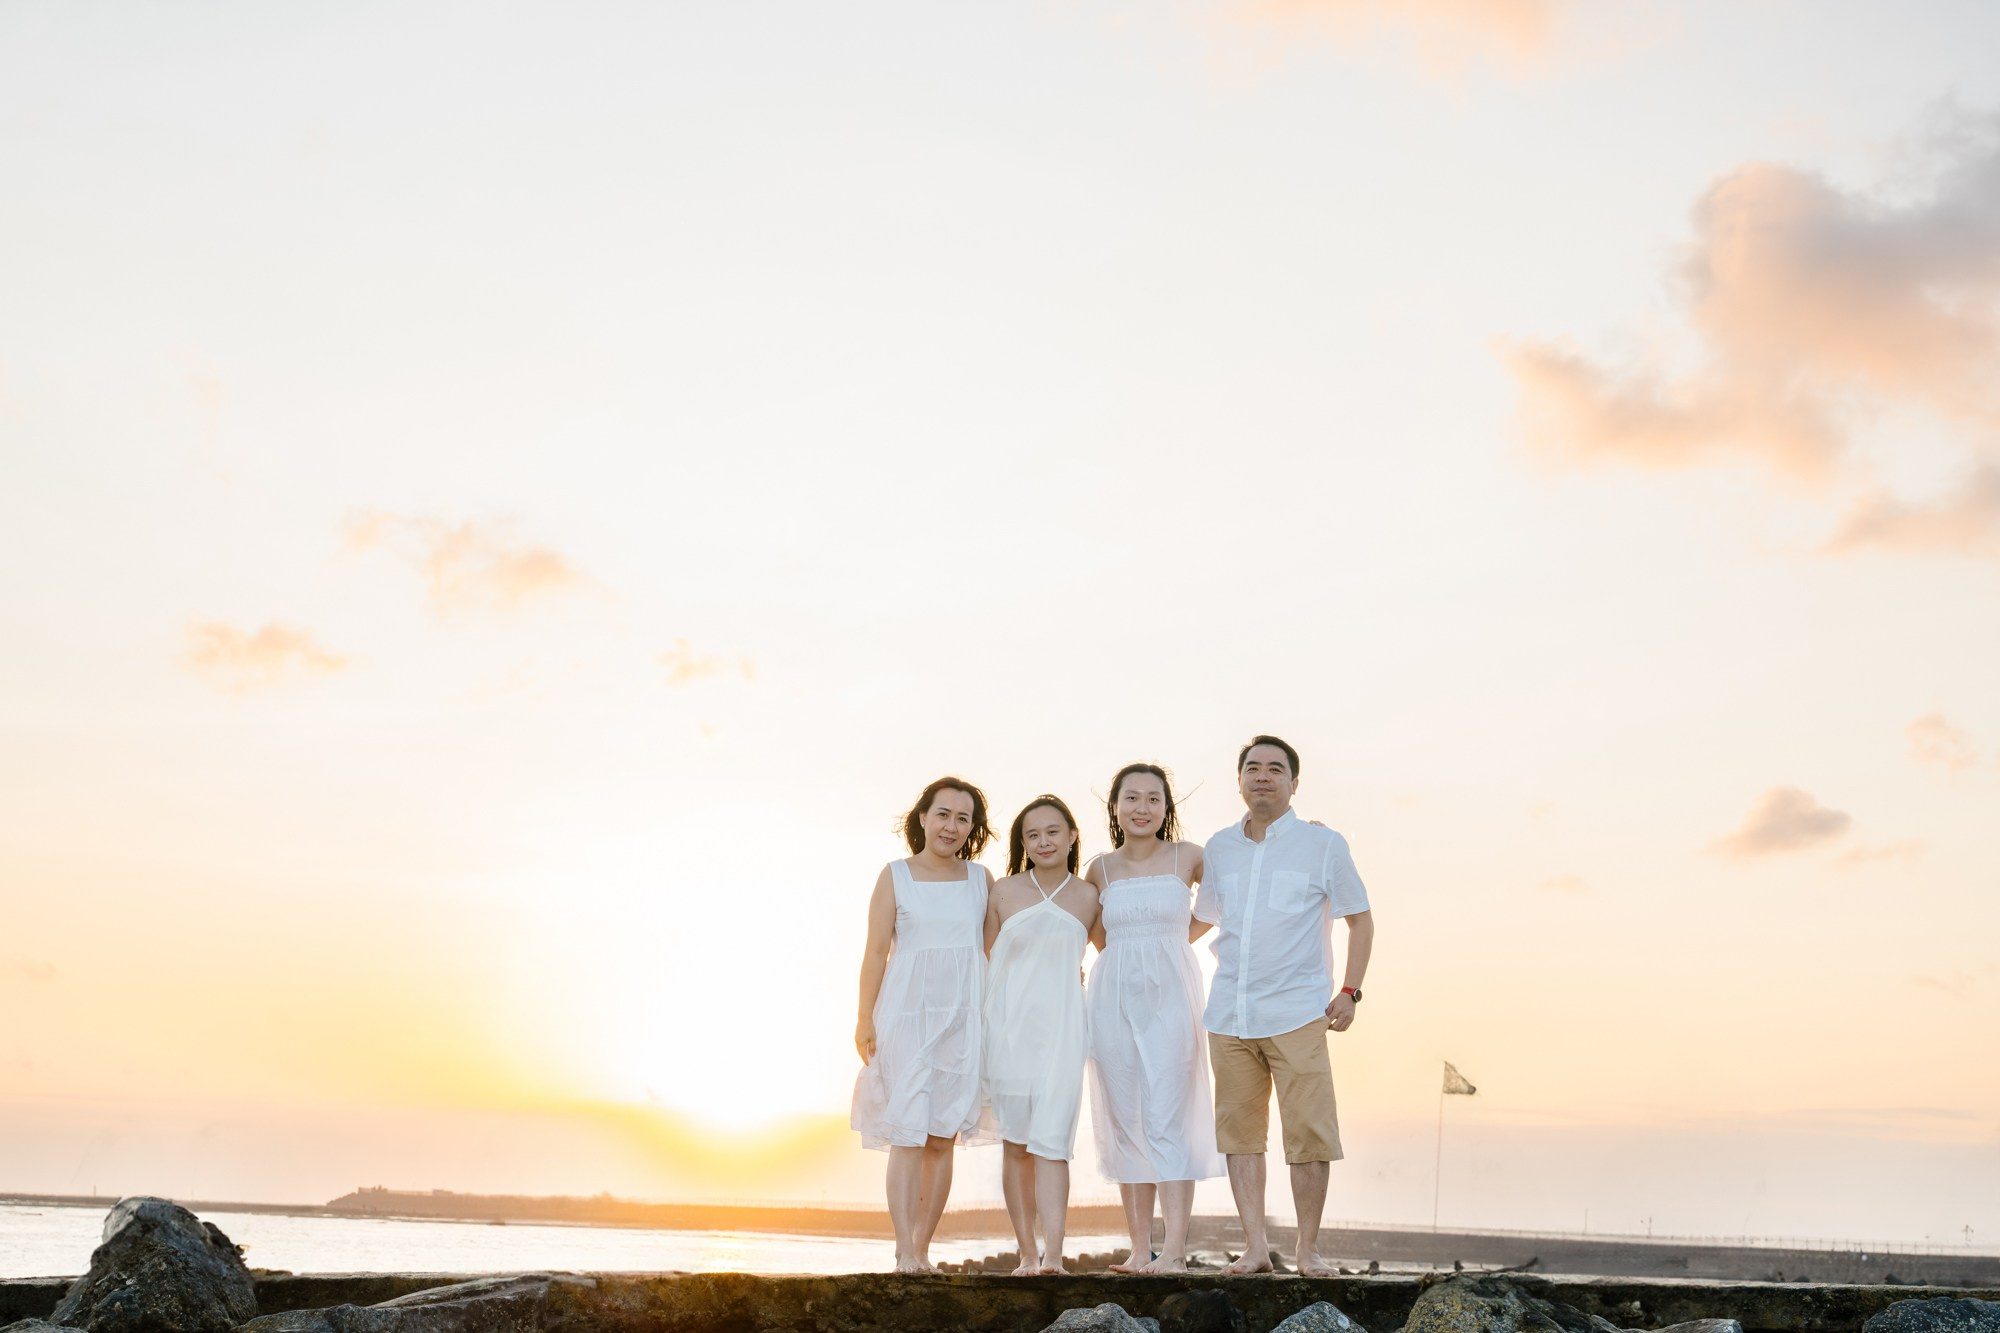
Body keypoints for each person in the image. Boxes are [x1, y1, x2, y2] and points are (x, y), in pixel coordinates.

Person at [1195, 734, 1375, 1278]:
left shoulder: (1323, 845)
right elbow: (1201, 920)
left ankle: (1307, 1250)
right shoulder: (1220, 847)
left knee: (1310, 1135)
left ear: (1295, 783)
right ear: (1240, 779)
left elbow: (1360, 918)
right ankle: (1255, 1248)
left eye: (1276, 769)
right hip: (1229, 1013)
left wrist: (1349, 991)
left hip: (1298, 1012)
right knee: (1240, 1137)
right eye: (1253, 768)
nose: (1263, 777)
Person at [852, 775, 997, 1273]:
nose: (951, 826)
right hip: (906, 1015)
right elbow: (875, 952)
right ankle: (902, 1249)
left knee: (941, 1138)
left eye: (963, 818)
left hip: (964, 1017)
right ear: (922, 817)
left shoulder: (982, 880)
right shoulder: (895, 875)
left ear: (972, 828)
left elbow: (996, 953)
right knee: (909, 1132)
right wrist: (862, 1019)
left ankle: (923, 1246)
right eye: (943, 814)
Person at [1084, 762, 1223, 1274]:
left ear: (1167, 809)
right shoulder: (1099, 868)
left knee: (1169, 1114)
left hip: (1172, 996)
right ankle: (1139, 1248)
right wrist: (1126, 956)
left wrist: (1171, 944)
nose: (1142, 808)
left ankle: (1175, 1251)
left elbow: (1229, 893)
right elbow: (1095, 930)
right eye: (1132, 798)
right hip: (1113, 996)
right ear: (1115, 807)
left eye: (1153, 800)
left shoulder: (1190, 857)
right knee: (1126, 1116)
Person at [982, 795, 1098, 1275]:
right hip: (1008, 1031)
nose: (1044, 841)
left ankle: (1054, 1256)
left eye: (1053, 831)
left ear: (1072, 835)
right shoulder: (1003, 892)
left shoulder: (1090, 895)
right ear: (1023, 844)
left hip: (1064, 1034)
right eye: (1033, 835)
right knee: (1016, 1144)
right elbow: (984, 962)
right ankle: (1026, 1253)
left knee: (1053, 1143)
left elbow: (1119, 951)